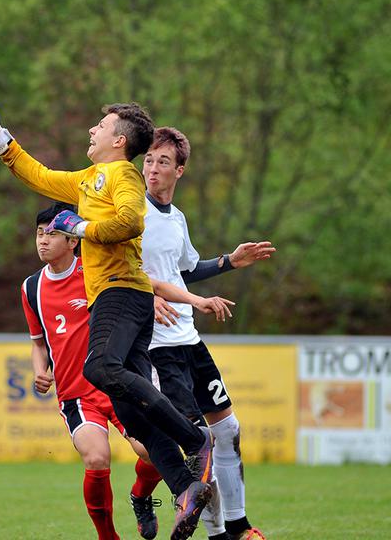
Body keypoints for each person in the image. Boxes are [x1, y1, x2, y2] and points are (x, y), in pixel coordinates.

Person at [0, 103, 214, 540]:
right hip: (124, 295)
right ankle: (186, 490)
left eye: (99, 126)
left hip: (121, 291)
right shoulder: (88, 179)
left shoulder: (121, 175)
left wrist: (80, 228)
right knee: (132, 414)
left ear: (119, 140)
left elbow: (130, 220)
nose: (90, 129)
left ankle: (195, 439)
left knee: (99, 368)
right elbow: (39, 175)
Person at [138, 127, 273, 540]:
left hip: (188, 340)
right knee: (199, 445)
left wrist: (229, 261)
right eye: (148, 161)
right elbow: (108, 270)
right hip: (155, 347)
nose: (153, 169)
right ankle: (216, 535)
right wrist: (144, 297)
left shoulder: (176, 218)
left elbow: (185, 271)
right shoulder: (129, 213)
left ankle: (238, 525)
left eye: (163, 162)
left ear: (181, 170)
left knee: (227, 432)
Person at [24, 202, 165, 540]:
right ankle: (108, 537)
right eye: (39, 233)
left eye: (53, 233)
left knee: (155, 453)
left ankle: (141, 496)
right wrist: (39, 371)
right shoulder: (31, 288)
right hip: (76, 394)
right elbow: (38, 343)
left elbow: (137, 289)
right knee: (97, 459)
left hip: (118, 384)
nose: (43, 240)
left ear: (73, 240)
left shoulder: (95, 273)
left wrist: (153, 299)